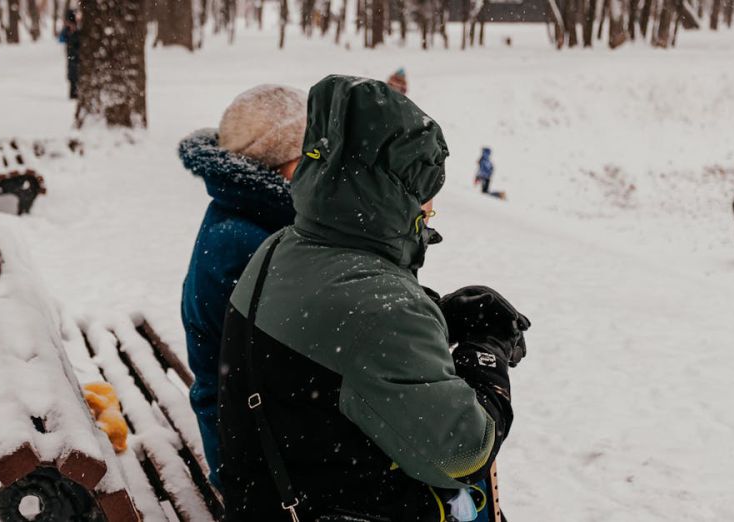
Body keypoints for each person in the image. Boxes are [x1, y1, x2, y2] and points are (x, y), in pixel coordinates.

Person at [218, 75, 530, 521]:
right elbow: (465, 453)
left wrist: (441, 316)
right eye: (426, 203)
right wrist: (487, 352)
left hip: (268, 500)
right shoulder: (378, 307)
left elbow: (333, 347)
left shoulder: (282, 247)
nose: (429, 216)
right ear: (395, 199)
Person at [179, 85, 306, 489]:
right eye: (309, 157)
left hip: (251, 446)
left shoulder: (248, 216)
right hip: (258, 471)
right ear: (274, 162)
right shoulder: (247, 242)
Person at [59, 9, 80, 99]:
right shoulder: (66, 31)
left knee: (76, 74)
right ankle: (72, 93)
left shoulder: (78, 31)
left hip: (77, 56)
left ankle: (76, 92)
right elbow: (61, 39)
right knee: (71, 75)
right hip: (70, 55)